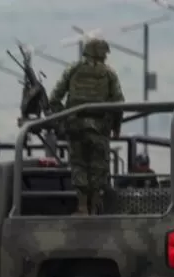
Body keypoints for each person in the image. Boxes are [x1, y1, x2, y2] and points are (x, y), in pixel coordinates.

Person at [48, 37, 124, 215]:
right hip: (99, 130)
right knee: (99, 166)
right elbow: (119, 103)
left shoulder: (72, 69)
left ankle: (82, 207)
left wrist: (63, 119)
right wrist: (116, 126)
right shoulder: (109, 73)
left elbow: (54, 99)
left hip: (76, 127)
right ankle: (96, 205)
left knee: (79, 164)